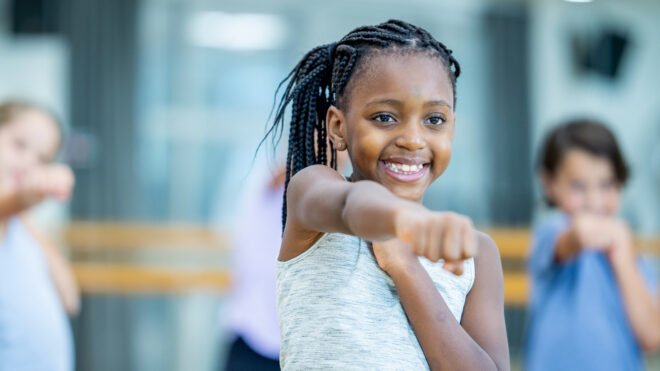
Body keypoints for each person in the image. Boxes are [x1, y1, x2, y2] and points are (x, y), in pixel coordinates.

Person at [264, 20, 509, 370]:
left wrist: (405, 266)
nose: (412, 139)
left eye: (434, 120)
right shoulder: (313, 193)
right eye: (384, 117)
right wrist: (402, 221)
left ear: (452, 126)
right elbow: (352, 205)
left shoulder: (476, 254)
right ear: (338, 127)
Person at [525, 119, 660, 370]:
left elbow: (651, 336)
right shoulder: (551, 232)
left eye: (606, 184)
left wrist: (622, 256)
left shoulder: (634, 259)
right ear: (550, 183)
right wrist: (607, 234)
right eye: (578, 186)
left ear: (620, 182)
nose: (594, 200)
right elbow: (576, 236)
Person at [0, 101, 78, 371]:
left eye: (43, 158)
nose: (29, 162)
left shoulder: (21, 224)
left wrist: (22, 211)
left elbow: (70, 298)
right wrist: (24, 198)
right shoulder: (12, 209)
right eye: (19, 145)